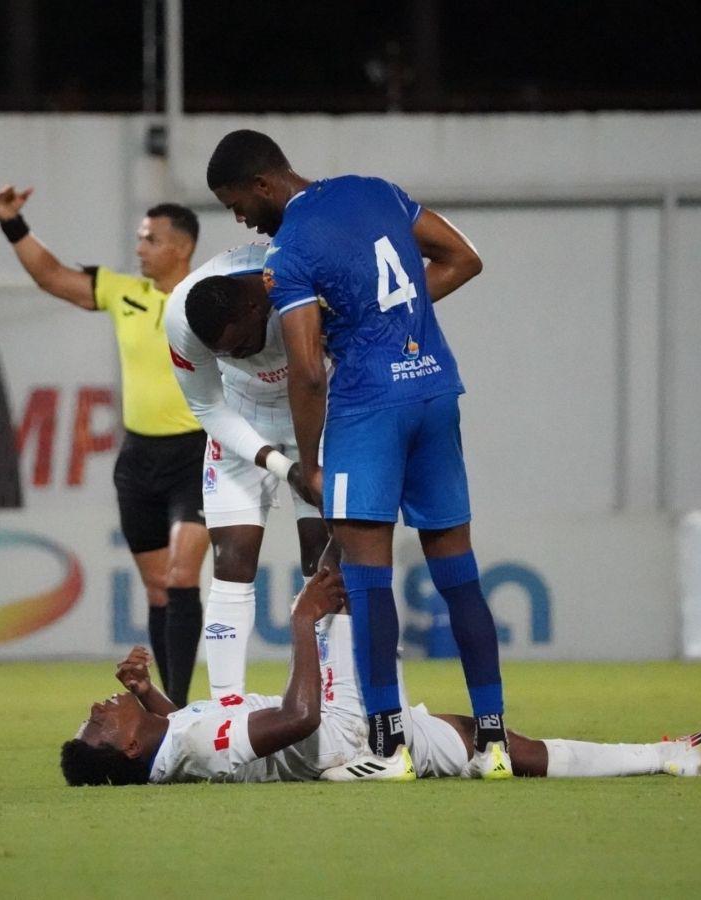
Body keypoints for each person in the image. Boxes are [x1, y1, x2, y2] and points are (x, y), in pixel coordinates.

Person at [202, 130, 509, 777]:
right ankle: (495, 743)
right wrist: (392, 322)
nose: (239, 219)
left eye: (236, 204)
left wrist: (308, 463)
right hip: (434, 388)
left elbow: (308, 370)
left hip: (369, 407)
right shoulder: (377, 192)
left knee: (368, 580)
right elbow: (463, 259)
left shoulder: (288, 254)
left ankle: (388, 747)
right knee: (459, 574)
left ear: (262, 185)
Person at [59, 569, 701, 786]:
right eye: (98, 720)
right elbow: (297, 720)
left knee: (484, 743)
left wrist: (149, 695)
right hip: (335, 724)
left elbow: (189, 723)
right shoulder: (193, 749)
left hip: (336, 734)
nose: (98, 704)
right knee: (348, 554)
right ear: (123, 748)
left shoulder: (172, 738)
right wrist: (300, 622)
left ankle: (666, 757)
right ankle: (373, 760)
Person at [0, 186, 209, 706]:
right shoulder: (121, 291)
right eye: (139, 239)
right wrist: (12, 224)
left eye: (150, 240)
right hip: (138, 461)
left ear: (181, 247)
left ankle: (176, 704)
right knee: (158, 588)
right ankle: (166, 707)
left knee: (182, 576)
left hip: (196, 455)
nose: (139, 249)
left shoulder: (208, 298)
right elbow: (51, 275)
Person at [162, 244, 330, 698]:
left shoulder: (299, 280)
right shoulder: (180, 316)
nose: (237, 355)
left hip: (315, 408)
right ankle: (227, 706)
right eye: (223, 353)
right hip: (240, 415)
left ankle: (328, 699)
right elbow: (207, 407)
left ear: (257, 306)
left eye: (240, 344)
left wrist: (310, 460)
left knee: (324, 561)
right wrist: (284, 468)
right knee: (232, 559)